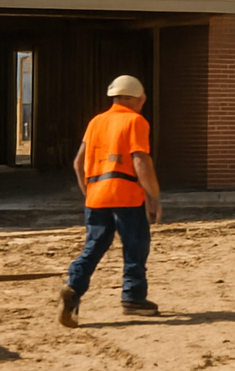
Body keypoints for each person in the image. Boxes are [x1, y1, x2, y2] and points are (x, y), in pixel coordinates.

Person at [59, 74, 162, 328]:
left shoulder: (96, 121)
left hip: (96, 197)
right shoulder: (136, 121)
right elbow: (141, 162)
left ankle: (73, 287)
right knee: (135, 245)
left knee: (94, 246)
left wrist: (90, 193)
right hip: (126, 196)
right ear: (140, 98)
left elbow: (77, 163)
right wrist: (154, 197)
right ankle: (134, 297)